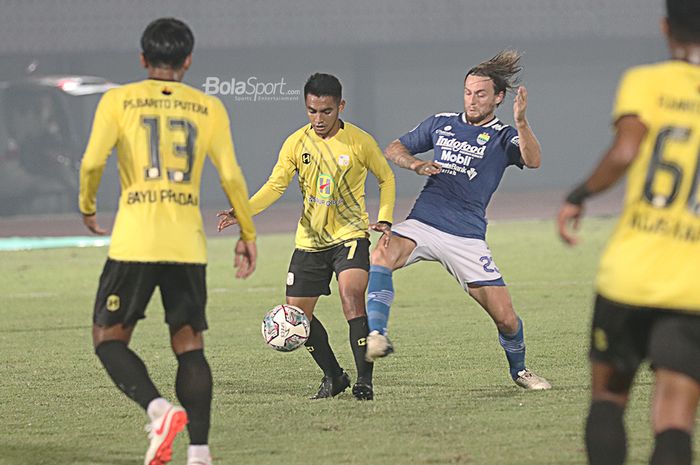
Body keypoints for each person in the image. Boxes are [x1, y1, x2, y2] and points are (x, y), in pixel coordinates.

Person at [79, 18, 257, 465]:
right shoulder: (208, 106)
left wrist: (86, 204)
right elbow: (232, 175)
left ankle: (159, 411)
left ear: (143, 59)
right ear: (188, 60)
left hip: (135, 240)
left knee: (109, 338)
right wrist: (247, 233)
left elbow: (92, 162)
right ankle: (200, 452)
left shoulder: (118, 100)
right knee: (189, 344)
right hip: (186, 244)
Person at [557, 1, 700, 463]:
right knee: (675, 417)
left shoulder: (646, 81)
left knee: (608, 401)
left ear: (665, 28)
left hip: (629, 275)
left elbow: (624, 152)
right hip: (691, 285)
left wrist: (579, 194)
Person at [364, 50, 551, 391]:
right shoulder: (441, 123)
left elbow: (533, 160)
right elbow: (393, 148)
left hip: (466, 236)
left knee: (507, 319)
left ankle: (520, 371)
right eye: (468, 92)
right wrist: (416, 165)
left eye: (481, 94)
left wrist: (522, 122)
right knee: (382, 252)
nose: (472, 99)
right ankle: (377, 334)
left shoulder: (503, 135)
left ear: (498, 97)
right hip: (423, 222)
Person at [218, 73, 395, 400]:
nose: (318, 118)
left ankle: (364, 382)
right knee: (298, 316)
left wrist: (384, 218)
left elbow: (386, 178)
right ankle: (334, 376)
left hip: (351, 235)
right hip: (310, 241)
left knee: (351, 296)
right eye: (312, 111)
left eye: (326, 111)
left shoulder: (359, 141)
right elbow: (275, 185)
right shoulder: (296, 143)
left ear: (340, 106)